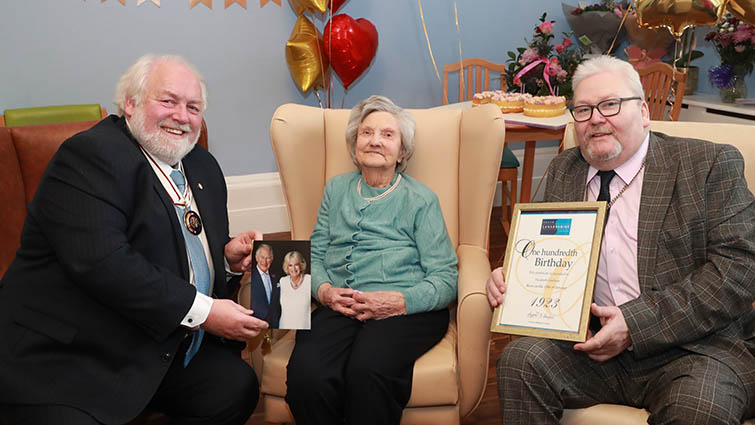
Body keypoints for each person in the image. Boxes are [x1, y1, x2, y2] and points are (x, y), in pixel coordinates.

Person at [0, 54, 269, 425]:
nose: (181, 116)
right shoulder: (91, 156)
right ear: (130, 104)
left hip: (154, 344)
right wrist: (206, 313)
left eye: (193, 107)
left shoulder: (203, 165)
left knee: (234, 387)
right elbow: (106, 264)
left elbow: (181, 245)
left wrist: (225, 259)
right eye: (168, 101)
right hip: (72, 356)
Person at [487, 56, 755, 424]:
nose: (596, 118)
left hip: (694, 349)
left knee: (699, 409)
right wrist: (509, 277)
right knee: (520, 362)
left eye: (610, 104)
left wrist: (635, 323)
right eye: (583, 109)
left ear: (643, 111)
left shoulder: (707, 165)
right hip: (593, 351)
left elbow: (739, 271)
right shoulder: (564, 171)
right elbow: (538, 255)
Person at [285, 95, 458, 425]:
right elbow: (315, 253)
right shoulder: (336, 190)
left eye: (388, 135)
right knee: (308, 377)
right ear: (354, 147)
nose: (375, 140)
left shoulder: (421, 199)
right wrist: (323, 291)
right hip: (340, 305)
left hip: (406, 309)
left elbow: (445, 278)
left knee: (367, 373)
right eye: (366, 133)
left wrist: (399, 301)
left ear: (402, 152)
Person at [249, 243, 281, 328]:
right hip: (256, 325)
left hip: (275, 325)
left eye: (268, 258)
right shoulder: (249, 276)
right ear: (256, 258)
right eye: (262, 257)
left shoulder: (276, 278)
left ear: (272, 259)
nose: (265, 261)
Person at [278, 250, 312, 329]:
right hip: (284, 328)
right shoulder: (282, 281)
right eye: (290, 265)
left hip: (304, 329)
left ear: (301, 265)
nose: (293, 268)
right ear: (287, 267)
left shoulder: (309, 280)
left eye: (296, 264)